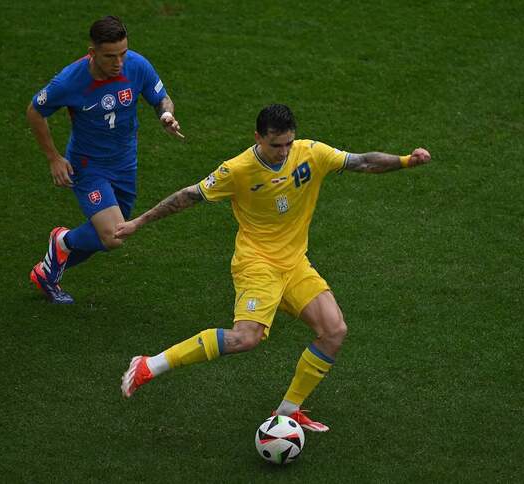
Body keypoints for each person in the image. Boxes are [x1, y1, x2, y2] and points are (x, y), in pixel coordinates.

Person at [115, 104, 430, 431]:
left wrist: (406, 160)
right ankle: (149, 365)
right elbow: (189, 196)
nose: (283, 152)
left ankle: (288, 410)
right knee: (245, 338)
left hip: (294, 264)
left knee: (334, 331)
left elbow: (362, 161)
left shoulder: (311, 153)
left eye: (287, 144)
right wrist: (140, 221)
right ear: (258, 138)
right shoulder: (237, 170)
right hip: (257, 264)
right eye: (275, 145)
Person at [27, 15, 184, 304]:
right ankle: (62, 241)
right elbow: (35, 111)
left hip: (125, 164)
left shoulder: (137, 65)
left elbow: (161, 97)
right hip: (88, 167)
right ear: (92, 53)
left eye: (123, 53)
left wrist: (166, 115)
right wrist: (54, 158)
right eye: (110, 56)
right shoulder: (69, 81)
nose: (119, 62)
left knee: (113, 232)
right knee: (113, 235)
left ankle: (48, 270)